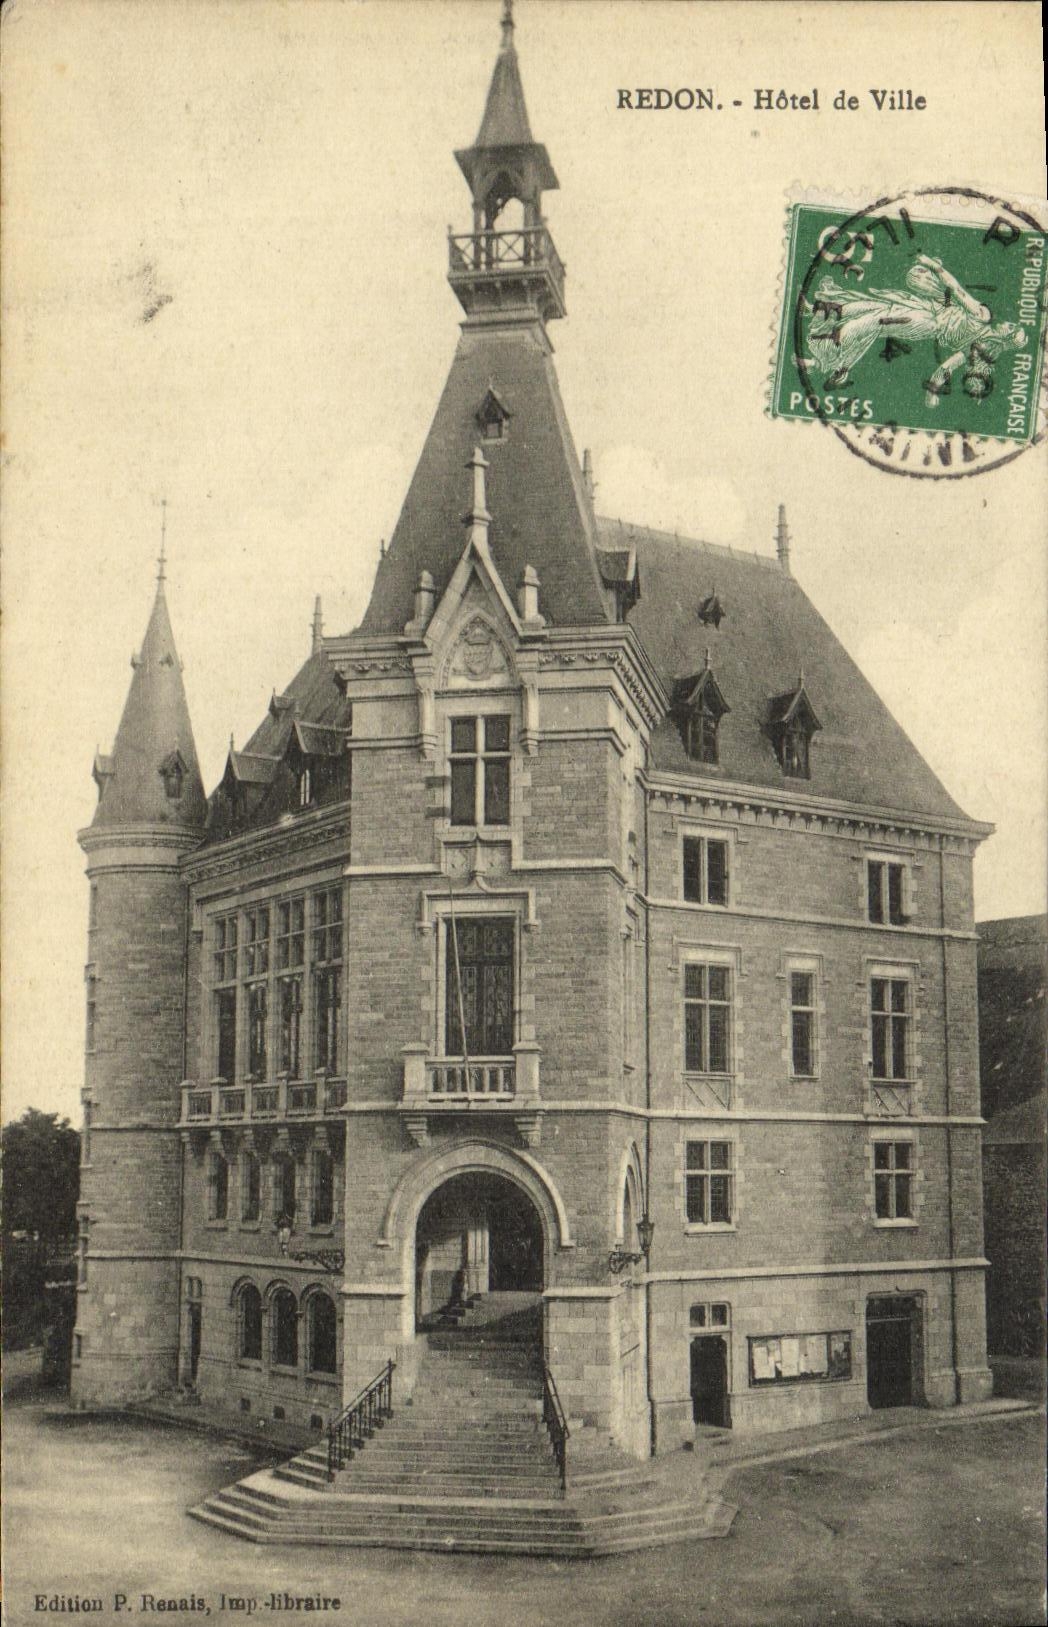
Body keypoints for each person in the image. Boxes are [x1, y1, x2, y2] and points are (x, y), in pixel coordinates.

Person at [806, 252, 1026, 403]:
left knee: (878, 320)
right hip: (928, 307)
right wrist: (933, 392)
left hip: (928, 323)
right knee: (877, 307)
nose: (1009, 322)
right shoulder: (978, 343)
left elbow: (955, 288)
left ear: (1005, 336)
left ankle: (824, 357)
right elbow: (945, 370)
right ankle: (821, 319)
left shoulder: (982, 317)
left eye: (1012, 327)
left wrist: (932, 265)